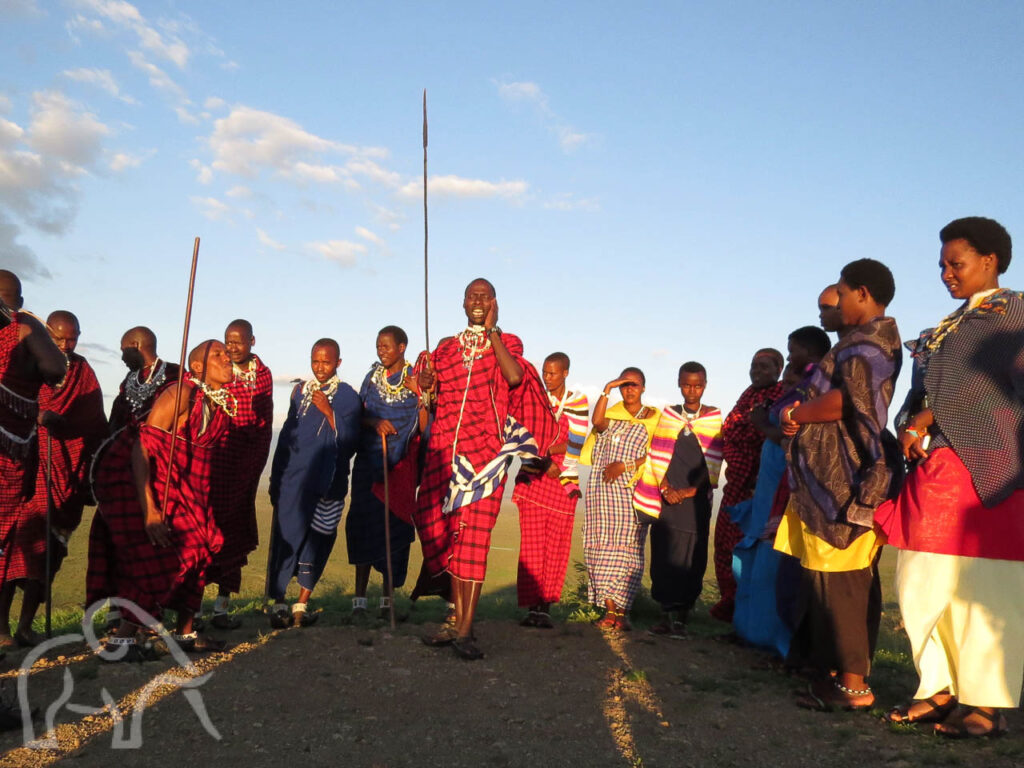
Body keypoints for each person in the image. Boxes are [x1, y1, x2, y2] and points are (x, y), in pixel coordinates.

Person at [875, 217, 1024, 738]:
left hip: (994, 469)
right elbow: (922, 394)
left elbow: (996, 388)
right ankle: (936, 686)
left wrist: (927, 418)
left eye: (954, 263)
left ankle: (985, 703)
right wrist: (910, 423)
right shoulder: (949, 326)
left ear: (991, 261)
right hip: (937, 468)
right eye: (941, 264)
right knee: (921, 580)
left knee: (988, 589)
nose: (945, 273)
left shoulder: (1014, 314)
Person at [775, 258, 902, 711]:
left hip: (846, 478)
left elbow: (851, 401)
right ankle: (834, 673)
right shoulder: (858, 342)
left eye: (842, 295)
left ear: (863, 294)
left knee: (844, 582)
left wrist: (796, 414)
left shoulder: (870, 344)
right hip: (829, 478)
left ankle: (853, 686)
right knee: (832, 581)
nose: (836, 303)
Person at [415, 278, 556, 660]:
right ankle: (457, 621)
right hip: (446, 454)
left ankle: (465, 630)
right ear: (462, 303)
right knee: (439, 531)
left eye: (484, 296)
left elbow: (513, 377)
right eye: (471, 296)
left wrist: (493, 330)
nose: (477, 301)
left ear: (494, 302)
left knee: (474, 543)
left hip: (487, 458)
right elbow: (431, 394)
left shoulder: (508, 342)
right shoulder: (445, 348)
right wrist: (426, 383)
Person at [94, 340, 237, 658]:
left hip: (194, 493)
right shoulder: (180, 393)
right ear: (198, 367)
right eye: (218, 355)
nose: (227, 359)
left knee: (201, 554)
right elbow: (142, 448)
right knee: (170, 560)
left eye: (228, 355)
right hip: (162, 492)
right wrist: (150, 510)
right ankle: (122, 641)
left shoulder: (219, 402)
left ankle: (186, 635)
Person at [0, 312, 107, 647]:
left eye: (72, 338)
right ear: (47, 334)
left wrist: (62, 423)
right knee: (15, 548)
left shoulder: (82, 372)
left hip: (67, 477)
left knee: (49, 554)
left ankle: (26, 626)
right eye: (59, 338)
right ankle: (2, 628)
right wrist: (37, 417)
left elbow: (95, 423)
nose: (65, 344)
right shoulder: (29, 362)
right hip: (30, 471)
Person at [731, 327, 830, 657]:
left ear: (809, 353)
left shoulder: (814, 389)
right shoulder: (797, 389)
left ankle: (775, 639)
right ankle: (751, 632)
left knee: (774, 560)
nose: (789, 358)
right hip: (768, 482)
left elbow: (790, 437)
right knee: (759, 554)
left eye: (792, 352)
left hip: (784, 484)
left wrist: (761, 425)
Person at [89, 325, 179, 629]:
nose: (121, 353)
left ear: (136, 344)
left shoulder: (174, 377)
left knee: (149, 546)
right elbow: (115, 425)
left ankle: (147, 614)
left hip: (157, 473)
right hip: (120, 474)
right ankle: (119, 609)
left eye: (123, 347)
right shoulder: (129, 383)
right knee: (117, 542)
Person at [267, 339, 360, 629]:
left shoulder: (347, 397)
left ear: (338, 364)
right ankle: (279, 604)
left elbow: (352, 442)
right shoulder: (299, 392)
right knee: (287, 540)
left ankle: (301, 604)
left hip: (328, 486)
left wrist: (330, 413)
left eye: (327, 362)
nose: (320, 367)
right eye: (315, 361)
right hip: (293, 481)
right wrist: (276, 476)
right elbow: (287, 437)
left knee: (316, 543)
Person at [0, 273, 68, 648]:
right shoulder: (22, 326)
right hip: (13, 451)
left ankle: (17, 627)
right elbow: (56, 370)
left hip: (24, 459)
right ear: (20, 299)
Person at [633, 362, 723, 636]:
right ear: (679, 384)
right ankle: (664, 616)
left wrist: (687, 492)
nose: (691, 390)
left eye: (697, 385)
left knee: (691, 557)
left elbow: (714, 465)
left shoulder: (713, 418)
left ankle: (682, 617)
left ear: (705, 385)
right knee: (663, 554)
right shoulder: (668, 415)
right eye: (686, 384)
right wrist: (665, 487)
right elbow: (656, 456)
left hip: (695, 503)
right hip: (668, 499)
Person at [346, 326, 421, 621]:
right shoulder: (372, 378)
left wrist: (422, 392)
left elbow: (425, 417)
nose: (381, 351)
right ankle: (360, 600)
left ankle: (387, 601)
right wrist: (375, 421)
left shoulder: (416, 379)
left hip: (400, 466)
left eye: (387, 346)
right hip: (369, 462)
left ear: (402, 347)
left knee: (396, 531)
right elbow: (357, 414)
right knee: (362, 525)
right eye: (378, 346)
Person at [512, 351, 590, 628]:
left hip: (563, 482)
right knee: (531, 547)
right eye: (545, 372)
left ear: (566, 373)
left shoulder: (578, 402)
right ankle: (532, 608)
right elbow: (522, 436)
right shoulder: (535, 400)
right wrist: (544, 461)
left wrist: (549, 454)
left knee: (555, 547)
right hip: (534, 479)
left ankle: (545, 608)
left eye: (553, 373)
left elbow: (578, 442)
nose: (547, 378)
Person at [205, 319, 274, 628]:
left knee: (232, 539)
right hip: (213, 463)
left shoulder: (262, 375)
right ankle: (190, 609)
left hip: (243, 467)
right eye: (227, 341)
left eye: (238, 342)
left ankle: (221, 607)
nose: (232, 348)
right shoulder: (216, 368)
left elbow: (263, 424)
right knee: (203, 535)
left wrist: (254, 467)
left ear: (252, 342)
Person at [581, 367, 660, 632]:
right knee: (600, 548)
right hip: (601, 495)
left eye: (634, 384)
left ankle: (624, 612)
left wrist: (624, 466)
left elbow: (657, 454)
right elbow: (597, 422)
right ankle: (609, 611)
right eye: (624, 385)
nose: (629, 389)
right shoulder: (612, 414)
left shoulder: (654, 418)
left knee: (629, 551)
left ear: (643, 388)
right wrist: (607, 388)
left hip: (632, 493)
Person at [710, 348, 785, 622]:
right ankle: (730, 605)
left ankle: (749, 613)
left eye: (765, 366)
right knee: (724, 546)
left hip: (759, 487)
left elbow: (770, 439)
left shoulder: (778, 399)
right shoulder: (747, 396)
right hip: (735, 484)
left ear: (779, 369)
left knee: (748, 549)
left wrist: (757, 479)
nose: (757, 371)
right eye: (754, 365)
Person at [109, 327, 180, 433]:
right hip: (122, 444)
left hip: (155, 441)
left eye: (123, 350)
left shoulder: (173, 373)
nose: (122, 358)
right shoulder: (130, 378)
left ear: (135, 345)